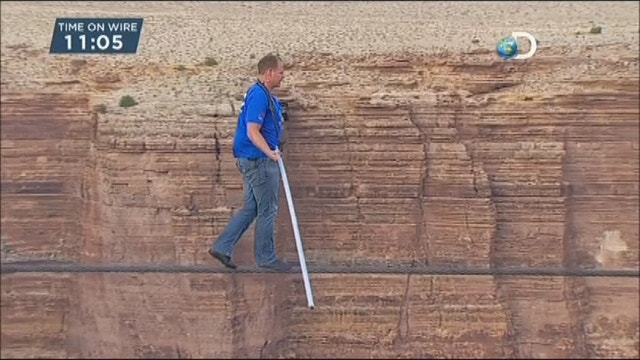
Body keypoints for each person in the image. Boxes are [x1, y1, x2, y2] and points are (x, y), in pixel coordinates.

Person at [208, 53, 292, 271]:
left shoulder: (265, 96)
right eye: (281, 72)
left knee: (252, 207)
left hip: (253, 160)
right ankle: (266, 258)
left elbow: (268, 118)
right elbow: (252, 130)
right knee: (268, 209)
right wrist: (270, 153)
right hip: (259, 161)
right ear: (269, 73)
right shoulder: (258, 95)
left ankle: (222, 246)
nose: (283, 76)